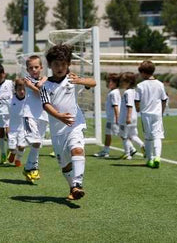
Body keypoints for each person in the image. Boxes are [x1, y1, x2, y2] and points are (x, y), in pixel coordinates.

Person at [40, 44, 96, 200]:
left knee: (77, 150)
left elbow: (93, 82)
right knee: (65, 166)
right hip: (57, 131)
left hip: (74, 125)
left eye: (63, 64)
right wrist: (58, 116)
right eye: (56, 64)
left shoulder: (72, 79)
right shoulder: (46, 86)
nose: (60, 67)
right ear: (50, 65)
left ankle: (78, 184)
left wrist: (81, 80)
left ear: (68, 64)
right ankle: (73, 187)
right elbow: (46, 105)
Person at [135, 60, 168, 168]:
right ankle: (158, 157)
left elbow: (137, 100)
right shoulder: (160, 84)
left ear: (144, 72)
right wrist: (161, 112)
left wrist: (138, 108)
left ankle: (150, 159)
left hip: (146, 114)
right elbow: (164, 99)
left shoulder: (140, 85)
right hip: (157, 114)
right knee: (157, 136)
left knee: (148, 138)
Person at [22, 55, 48, 183]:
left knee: (37, 145)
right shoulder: (27, 79)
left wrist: (43, 82)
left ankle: (28, 168)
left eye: (36, 67)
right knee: (35, 142)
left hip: (43, 116)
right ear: (27, 70)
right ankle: (34, 167)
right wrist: (39, 85)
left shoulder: (46, 79)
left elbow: (46, 91)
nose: (34, 70)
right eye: (31, 68)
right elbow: (39, 92)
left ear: (41, 67)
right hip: (30, 115)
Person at [118, 72, 144, 160]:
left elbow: (129, 105)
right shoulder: (134, 91)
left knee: (123, 136)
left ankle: (127, 154)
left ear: (128, 82)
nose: (121, 83)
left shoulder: (127, 92)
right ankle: (142, 145)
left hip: (126, 118)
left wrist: (128, 117)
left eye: (123, 81)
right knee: (133, 135)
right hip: (134, 117)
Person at [94, 73, 121, 158]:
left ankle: (131, 148)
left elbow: (116, 106)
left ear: (116, 83)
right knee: (108, 134)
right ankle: (106, 150)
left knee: (121, 134)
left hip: (112, 119)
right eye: (108, 81)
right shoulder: (114, 92)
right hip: (111, 118)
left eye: (110, 81)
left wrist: (117, 118)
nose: (108, 83)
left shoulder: (113, 93)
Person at [8, 78, 27, 167]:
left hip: (23, 128)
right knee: (12, 148)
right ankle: (13, 153)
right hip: (12, 128)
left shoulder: (28, 100)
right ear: (15, 90)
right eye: (19, 90)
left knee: (22, 146)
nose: (22, 91)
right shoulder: (11, 99)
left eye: (24, 89)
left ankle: (18, 159)